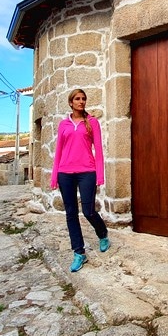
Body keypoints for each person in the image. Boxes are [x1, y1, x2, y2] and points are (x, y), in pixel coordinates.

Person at [50, 88, 110, 272]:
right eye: (77, 99)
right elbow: (58, 151)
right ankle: (79, 252)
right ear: (71, 102)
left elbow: (98, 151)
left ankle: (102, 233)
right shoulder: (63, 125)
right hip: (65, 173)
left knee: (88, 210)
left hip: (87, 172)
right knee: (70, 213)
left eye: (83, 99)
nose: (81, 101)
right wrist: (54, 176)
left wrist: (100, 175)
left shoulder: (92, 123)